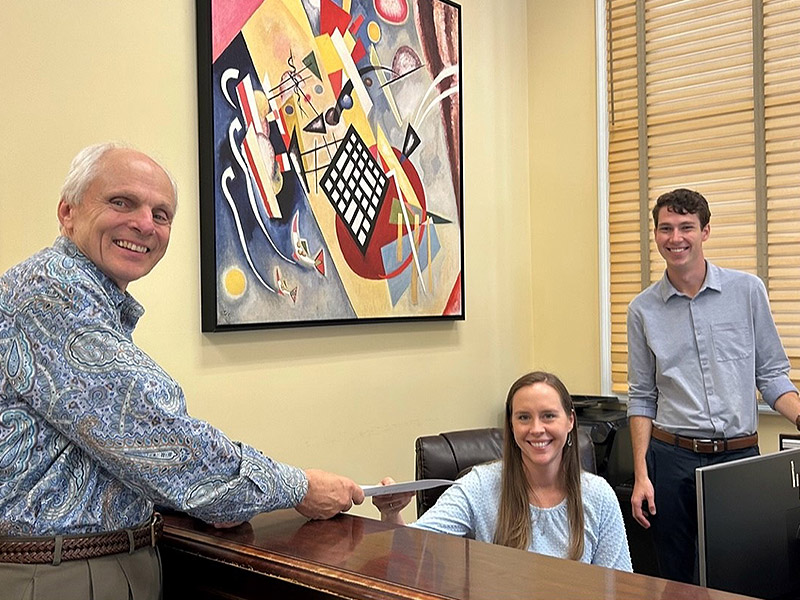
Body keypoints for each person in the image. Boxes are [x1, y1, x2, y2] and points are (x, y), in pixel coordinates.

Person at [0, 142, 364, 599]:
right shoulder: (53, 296)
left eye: (161, 214)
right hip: (62, 577)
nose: (144, 225)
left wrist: (213, 494)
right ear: (67, 212)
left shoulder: (77, 295)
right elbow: (161, 438)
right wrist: (301, 486)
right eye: (121, 202)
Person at [626, 188, 800, 583]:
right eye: (665, 228)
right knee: (675, 576)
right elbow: (641, 398)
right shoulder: (642, 310)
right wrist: (641, 474)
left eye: (686, 227)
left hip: (738, 458)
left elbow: (771, 374)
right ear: (655, 234)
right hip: (671, 459)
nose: (676, 238)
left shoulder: (747, 291)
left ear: (705, 231)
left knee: (747, 572)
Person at [373, 371, 632, 571]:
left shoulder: (599, 496)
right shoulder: (479, 486)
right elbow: (413, 547)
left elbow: (620, 588)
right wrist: (392, 512)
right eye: (523, 417)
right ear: (511, 424)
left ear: (570, 421)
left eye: (549, 416)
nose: (536, 429)